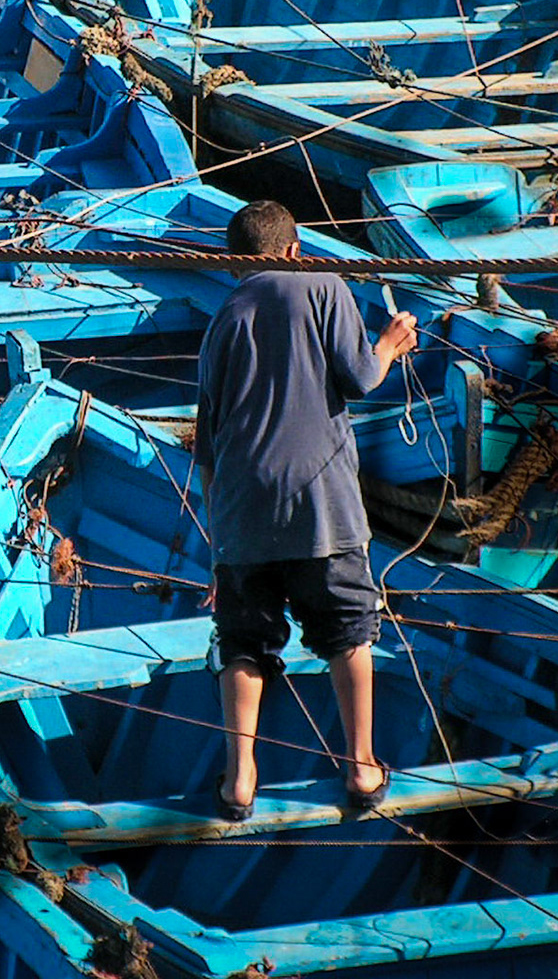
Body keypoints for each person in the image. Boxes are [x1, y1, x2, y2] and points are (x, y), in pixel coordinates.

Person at [194, 199, 418, 822]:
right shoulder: (322, 285)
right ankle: (361, 765)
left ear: (234, 258)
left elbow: (208, 446)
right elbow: (362, 378)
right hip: (322, 507)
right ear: (294, 249)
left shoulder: (221, 321)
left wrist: (220, 545)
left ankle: (240, 780)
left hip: (240, 515)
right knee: (350, 629)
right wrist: (392, 343)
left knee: (242, 643)